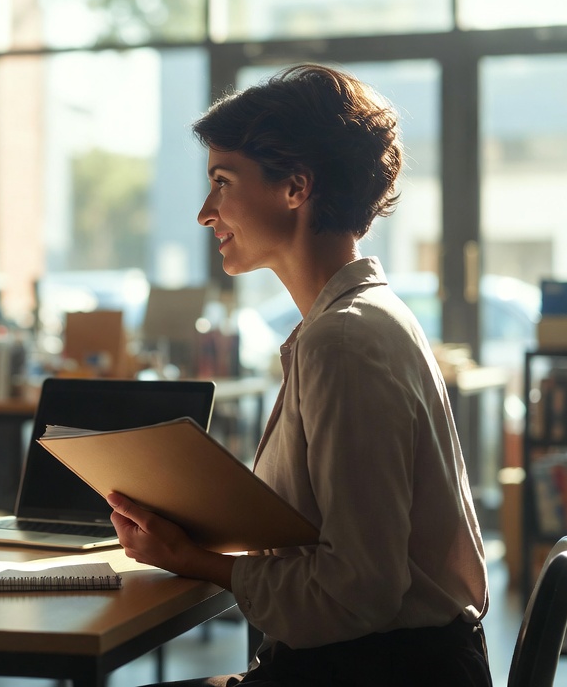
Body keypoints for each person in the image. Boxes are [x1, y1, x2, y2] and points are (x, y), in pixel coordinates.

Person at [107, 64, 492, 686]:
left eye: (223, 182)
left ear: (295, 188)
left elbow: (358, 590)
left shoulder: (344, 340)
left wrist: (201, 562)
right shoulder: (357, 319)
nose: (207, 212)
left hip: (378, 672)